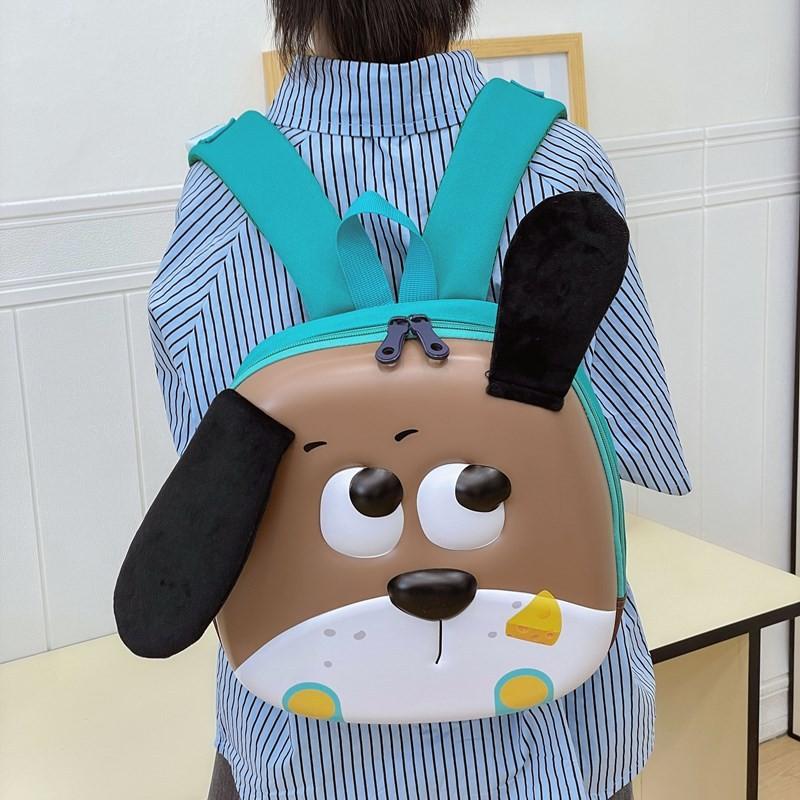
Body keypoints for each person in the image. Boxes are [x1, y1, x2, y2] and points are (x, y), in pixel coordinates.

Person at [148, 2, 691, 798]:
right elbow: (631, 441)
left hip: (309, 735)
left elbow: (214, 495)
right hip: (549, 717)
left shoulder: (223, 198)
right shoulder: (557, 165)